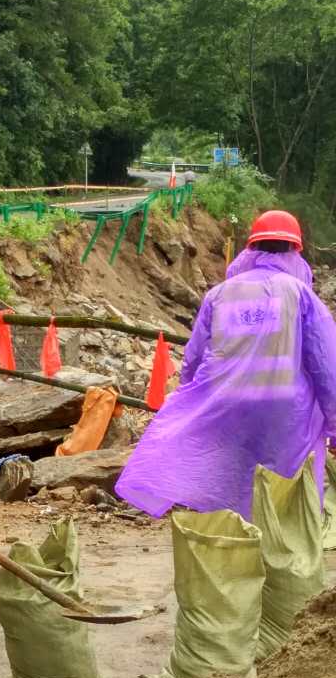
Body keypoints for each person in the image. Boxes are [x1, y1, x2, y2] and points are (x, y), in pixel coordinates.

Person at [117, 209, 336, 521]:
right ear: (294, 249)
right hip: (284, 412)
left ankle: (233, 540)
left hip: (227, 404)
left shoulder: (219, 294)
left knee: (231, 478)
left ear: (251, 247)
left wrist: (191, 405)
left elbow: (194, 359)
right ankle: (274, 543)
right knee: (281, 491)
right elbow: (326, 366)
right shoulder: (300, 294)